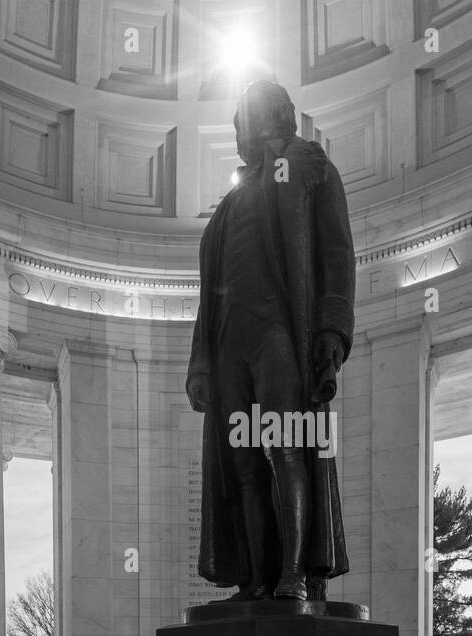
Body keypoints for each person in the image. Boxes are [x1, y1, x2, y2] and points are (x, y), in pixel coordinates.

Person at [186, 80, 356, 602]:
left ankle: (294, 574)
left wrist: (331, 326)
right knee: (240, 461)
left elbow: (336, 251)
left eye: (245, 115)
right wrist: (200, 362)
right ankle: (255, 578)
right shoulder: (229, 203)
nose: (239, 127)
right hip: (230, 339)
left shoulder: (310, 166)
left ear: (274, 114)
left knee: (288, 444)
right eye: (236, 119)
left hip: (281, 330)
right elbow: (208, 295)